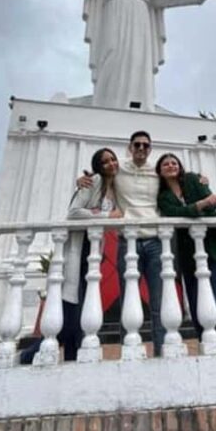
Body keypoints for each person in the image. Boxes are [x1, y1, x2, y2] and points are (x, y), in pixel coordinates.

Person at [25, 0, 216, 112]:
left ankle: (139, 103)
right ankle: (108, 102)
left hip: (139, 19)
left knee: (137, 56)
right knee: (112, 52)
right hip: (114, 15)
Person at [20, 148, 122, 364]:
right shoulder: (93, 181)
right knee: (72, 309)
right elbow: (73, 212)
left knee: (83, 306)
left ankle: (70, 359)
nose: (111, 163)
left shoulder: (116, 187)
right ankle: (30, 355)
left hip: (94, 249)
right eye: (105, 162)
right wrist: (105, 215)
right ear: (98, 167)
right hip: (79, 247)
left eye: (113, 159)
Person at [77, 130, 166, 356]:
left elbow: (179, 178)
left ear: (150, 149)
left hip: (156, 240)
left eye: (146, 145)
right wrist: (82, 180)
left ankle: (163, 351)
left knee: (159, 301)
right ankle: (130, 351)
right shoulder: (119, 169)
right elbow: (101, 175)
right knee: (128, 298)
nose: (141, 149)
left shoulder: (157, 172)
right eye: (137, 145)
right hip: (129, 241)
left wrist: (200, 180)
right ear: (130, 147)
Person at [156, 152, 216, 351]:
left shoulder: (192, 179)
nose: (171, 166)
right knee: (195, 299)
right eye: (165, 164)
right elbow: (175, 212)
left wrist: (204, 203)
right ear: (160, 171)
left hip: (214, 247)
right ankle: (205, 342)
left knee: (213, 295)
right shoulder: (162, 196)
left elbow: (210, 201)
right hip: (188, 252)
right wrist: (202, 204)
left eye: (174, 162)